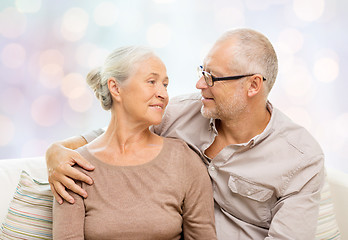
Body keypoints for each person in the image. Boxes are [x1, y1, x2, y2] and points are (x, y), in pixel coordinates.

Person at [47, 29, 325, 239]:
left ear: (253, 85)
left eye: (212, 77)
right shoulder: (180, 113)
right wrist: (56, 152)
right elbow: (120, 136)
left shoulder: (300, 159)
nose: (199, 84)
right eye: (202, 71)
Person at [52, 46, 217, 239]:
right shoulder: (74, 168)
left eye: (165, 84)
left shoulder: (184, 160)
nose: (163, 94)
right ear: (115, 88)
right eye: (151, 82)